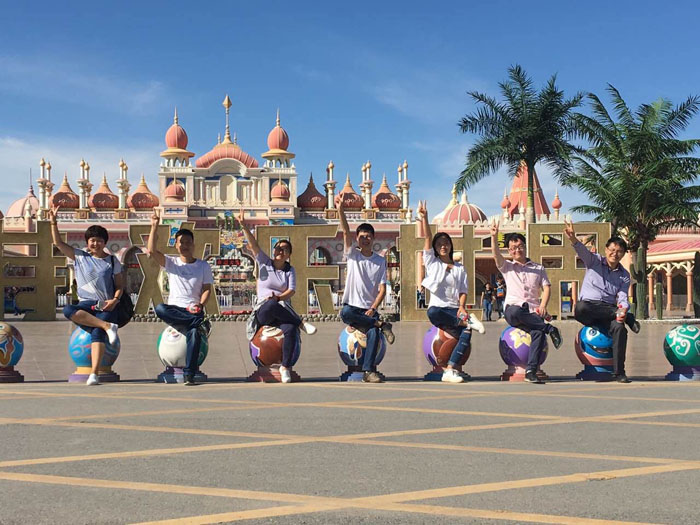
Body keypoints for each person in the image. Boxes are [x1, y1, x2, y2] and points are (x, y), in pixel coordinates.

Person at [238, 209, 316, 383]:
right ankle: (301, 323)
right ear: (273, 250)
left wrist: (279, 298)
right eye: (278, 248)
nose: (280, 251)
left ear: (289, 254)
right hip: (264, 310)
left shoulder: (289, 270)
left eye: (284, 249)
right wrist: (243, 225)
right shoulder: (264, 262)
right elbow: (253, 245)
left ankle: (285, 367)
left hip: (282, 310)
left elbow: (292, 290)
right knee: (271, 304)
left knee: (290, 330)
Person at [50, 205, 121, 386]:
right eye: (91, 240)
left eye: (99, 240)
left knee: (97, 333)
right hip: (86, 304)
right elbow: (58, 243)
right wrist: (53, 223)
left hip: (105, 305)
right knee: (68, 310)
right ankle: (107, 326)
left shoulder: (112, 261)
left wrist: (115, 300)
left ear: (105, 242)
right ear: (87, 242)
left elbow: (120, 286)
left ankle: (94, 374)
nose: (95, 244)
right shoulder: (80, 257)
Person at [564, 219, 640, 383]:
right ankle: (628, 318)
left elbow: (622, 296)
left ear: (623, 254)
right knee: (581, 307)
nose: (615, 254)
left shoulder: (624, 275)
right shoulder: (594, 261)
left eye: (619, 251)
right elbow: (582, 252)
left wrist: (623, 309)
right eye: (612, 250)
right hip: (589, 309)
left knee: (620, 329)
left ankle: (619, 372)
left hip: (608, 312)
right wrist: (573, 238)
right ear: (606, 250)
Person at [417, 201, 485, 383]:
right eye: (439, 244)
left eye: (446, 243)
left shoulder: (459, 268)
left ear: (450, 245)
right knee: (440, 314)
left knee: (466, 333)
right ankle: (468, 321)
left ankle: (449, 369)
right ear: (435, 248)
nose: (443, 246)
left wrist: (462, 307)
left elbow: (463, 290)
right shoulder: (432, 263)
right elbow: (427, 238)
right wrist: (424, 218)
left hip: (454, 310)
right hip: (438, 309)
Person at [490, 221, 562, 383]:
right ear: (509, 251)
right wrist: (494, 237)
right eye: (513, 248)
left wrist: (543, 305)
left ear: (525, 247)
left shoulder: (538, 268)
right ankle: (550, 328)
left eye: (520, 246)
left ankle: (531, 371)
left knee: (538, 333)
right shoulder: (507, 267)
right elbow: (496, 255)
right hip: (513, 311)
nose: (517, 250)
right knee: (516, 311)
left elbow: (546, 287)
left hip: (532, 313)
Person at [149, 210, 213, 386]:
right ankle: (198, 322)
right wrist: (154, 226)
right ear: (176, 245)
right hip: (175, 310)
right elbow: (151, 250)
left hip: (193, 308)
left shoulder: (203, 266)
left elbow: (207, 289)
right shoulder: (172, 262)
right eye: (181, 242)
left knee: (194, 335)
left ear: (193, 245)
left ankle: (189, 374)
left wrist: (200, 305)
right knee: (160, 308)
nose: (185, 245)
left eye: (188, 242)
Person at [337, 198, 395, 383]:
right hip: (352, 307)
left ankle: (369, 371)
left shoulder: (380, 261)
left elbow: (382, 289)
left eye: (368, 236)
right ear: (357, 239)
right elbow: (345, 231)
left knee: (373, 333)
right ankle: (382, 324)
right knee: (345, 313)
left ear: (373, 238)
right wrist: (340, 210)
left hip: (369, 309)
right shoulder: (352, 255)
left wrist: (373, 308)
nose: (365, 239)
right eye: (362, 236)